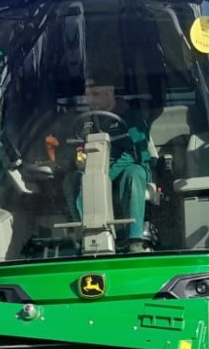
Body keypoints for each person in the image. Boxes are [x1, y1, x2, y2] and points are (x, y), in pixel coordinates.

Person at [64, 82, 152, 251]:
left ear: (110, 92)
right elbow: (79, 147)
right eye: (88, 94)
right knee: (71, 180)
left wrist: (105, 176)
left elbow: (133, 153)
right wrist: (80, 161)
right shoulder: (85, 121)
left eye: (95, 94)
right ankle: (84, 235)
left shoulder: (132, 117)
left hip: (127, 166)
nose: (90, 99)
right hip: (94, 169)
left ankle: (135, 239)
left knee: (134, 174)